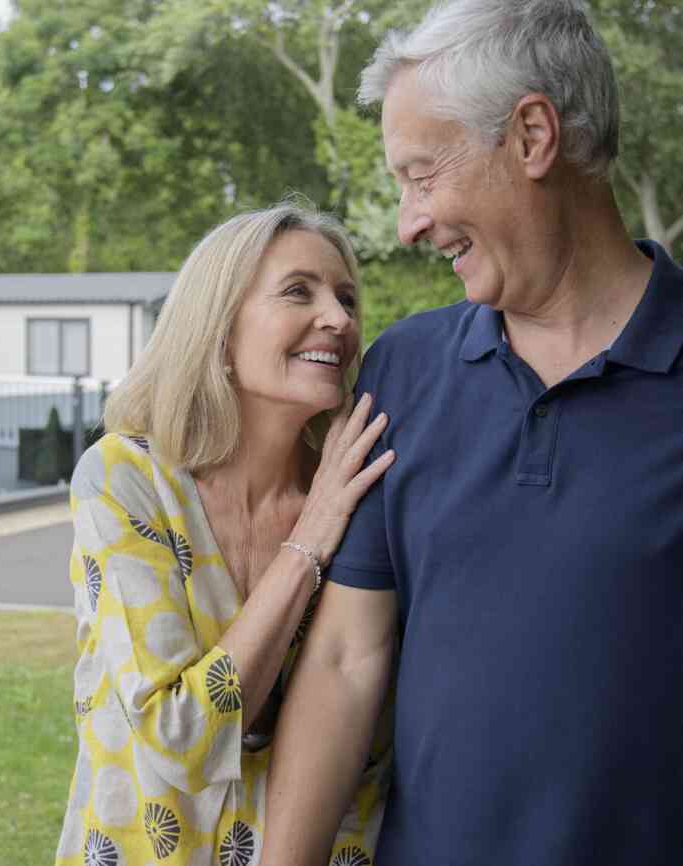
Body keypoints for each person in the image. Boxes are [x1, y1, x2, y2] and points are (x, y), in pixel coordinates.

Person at [261, 1, 683, 864]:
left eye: (422, 176)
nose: (409, 223)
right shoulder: (401, 373)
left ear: (532, 135)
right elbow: (346, 657)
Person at [54, 203, 396, 866]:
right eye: (300, 291)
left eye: (347, 298)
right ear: (219, 327)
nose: (340, 319)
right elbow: (177, 739)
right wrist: (308, 546)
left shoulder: (363, 489)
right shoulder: (127, 480)